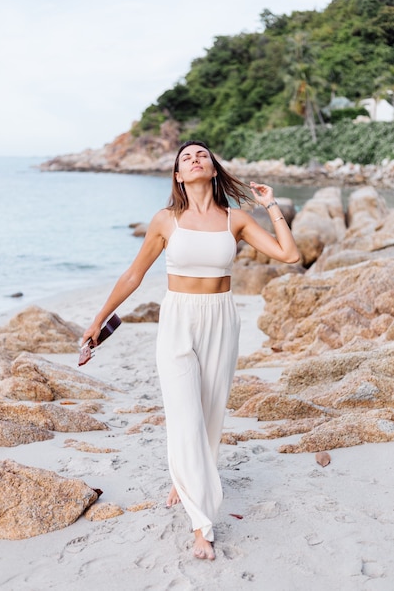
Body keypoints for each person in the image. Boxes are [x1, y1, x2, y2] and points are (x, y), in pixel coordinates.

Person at [81, 140, 299, 561]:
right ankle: (202, 525)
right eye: (186, 158)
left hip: (221, 317)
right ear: (178, 176)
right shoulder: (166, 220)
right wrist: (97, 321)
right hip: (178, 318)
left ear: (212, 169)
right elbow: (134, 275)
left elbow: (288, 254)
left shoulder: (236, 219)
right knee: (184, 414)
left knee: (210, 412)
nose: (195, 160)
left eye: (202, 155)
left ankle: (186, 479)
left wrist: (271, 205)